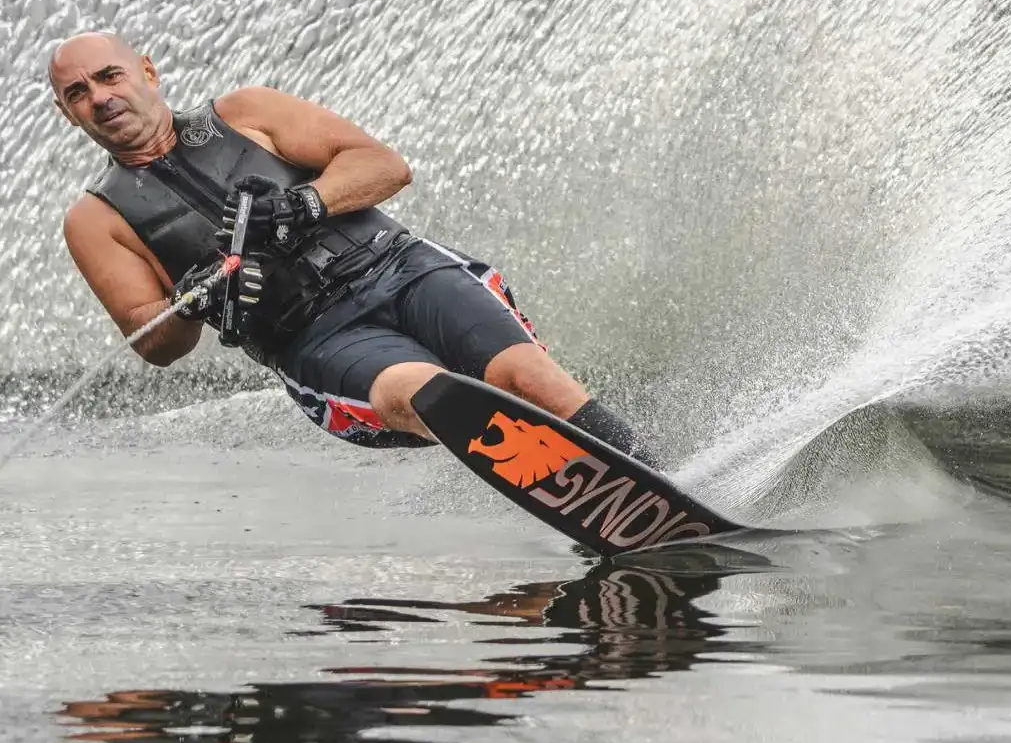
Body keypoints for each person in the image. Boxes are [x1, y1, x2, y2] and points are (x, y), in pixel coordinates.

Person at [49, 32, 646, 456]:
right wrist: (196, 299)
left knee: (527, 376)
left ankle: (658, 479)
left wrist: (303, 202)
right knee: (430, 396)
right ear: (68, 112)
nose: (100, 97)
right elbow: (153, 339)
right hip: (317, 338)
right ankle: (587, 492)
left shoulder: (246, 112)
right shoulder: (96, 218)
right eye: (78, 93)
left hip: (402, 269)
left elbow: (384, 166)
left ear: (146, 72)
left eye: (109, 75)